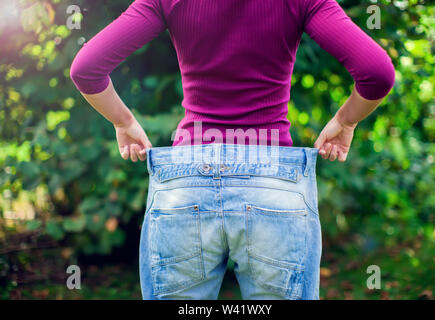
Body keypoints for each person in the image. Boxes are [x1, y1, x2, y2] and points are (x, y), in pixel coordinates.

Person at [70, 0, 395, 300]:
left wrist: (123, 122)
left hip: (185, 182)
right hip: (273, 180)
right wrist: (345, 121)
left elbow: (86, 67)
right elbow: (377, 72)